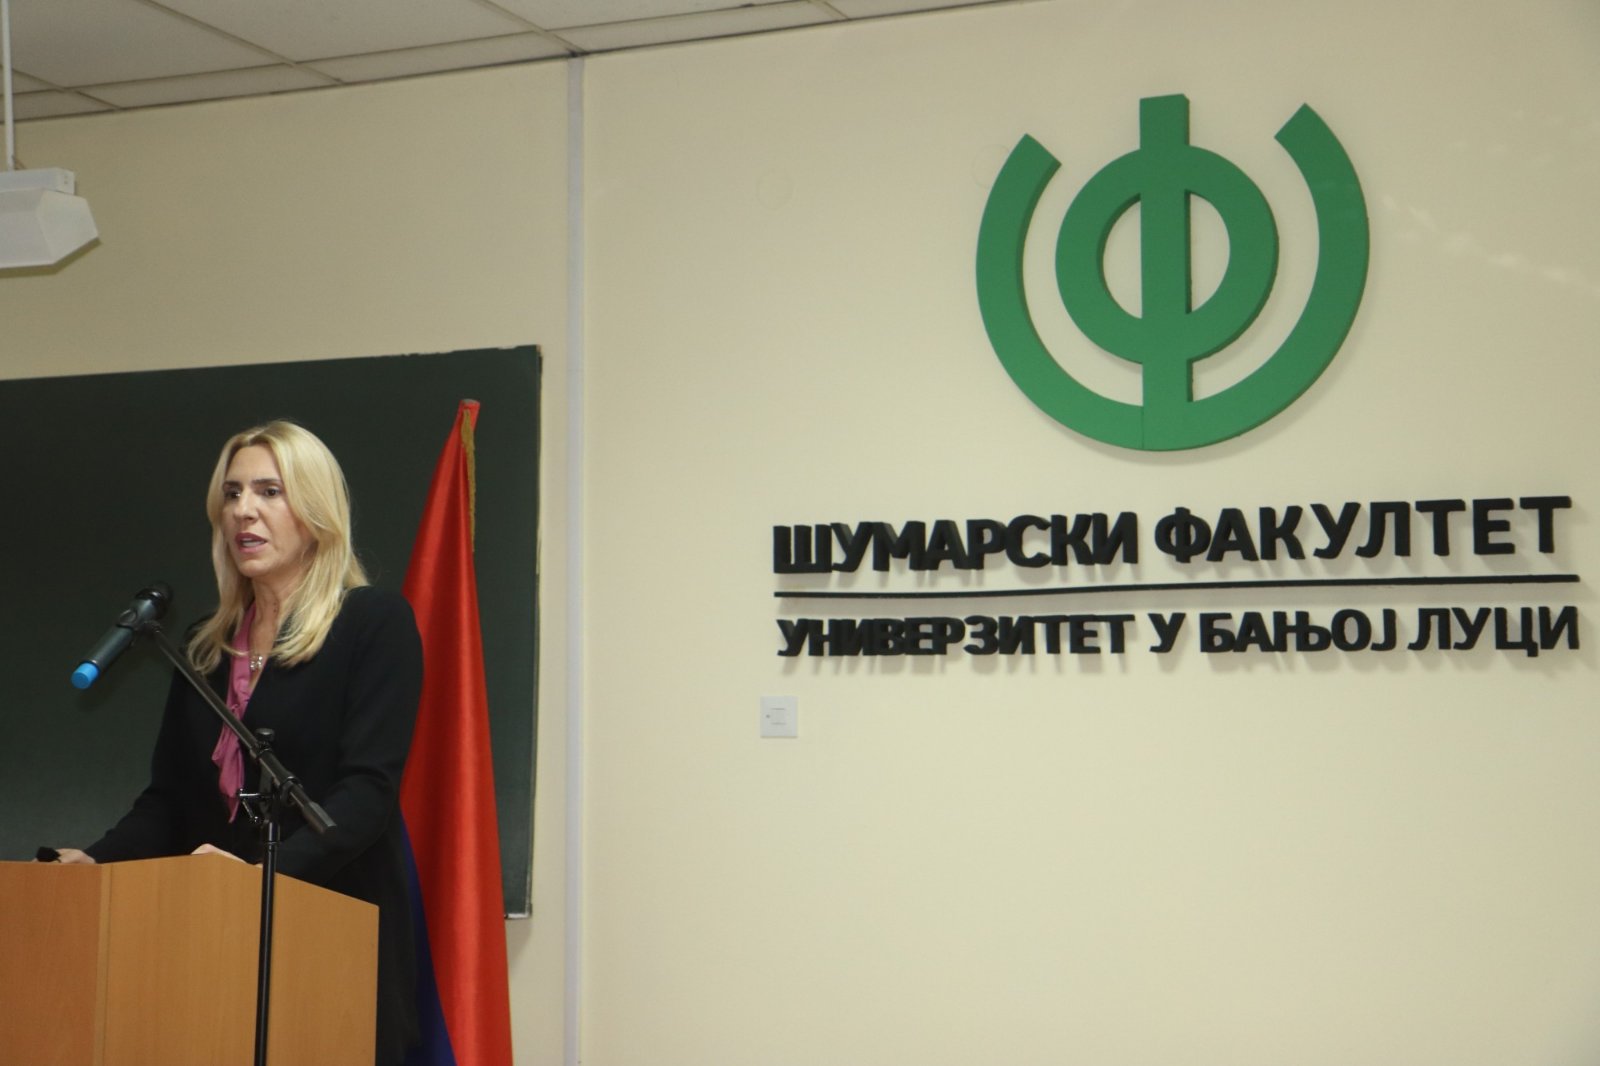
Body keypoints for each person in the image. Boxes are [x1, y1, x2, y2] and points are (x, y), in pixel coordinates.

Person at [50, 420, 423, 1066]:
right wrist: (94, 863)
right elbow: (170, 802)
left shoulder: (372, 624)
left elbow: (366, 794)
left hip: (331, 936)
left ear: (316, 512)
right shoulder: (205, 646)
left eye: (269, 492)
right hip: (213, 941)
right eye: (232, 493)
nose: (243, 510)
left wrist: (259, 881)